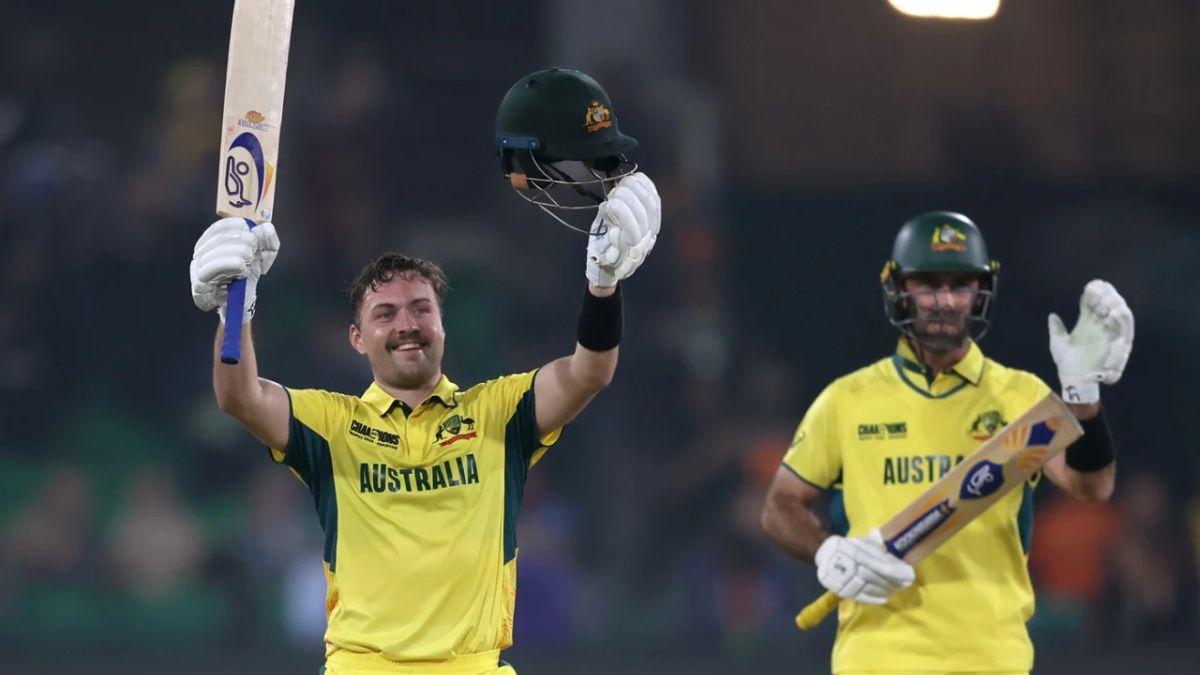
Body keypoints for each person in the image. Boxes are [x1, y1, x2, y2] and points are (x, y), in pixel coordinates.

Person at [188, 68, 659, 674]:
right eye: (384, 314)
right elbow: (239, 395)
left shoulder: (496, 413)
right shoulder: (332, 424)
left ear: (443, 325)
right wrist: (235, 305)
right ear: (357, 338)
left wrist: (603, 284)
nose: (405, 324)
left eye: (420, 309)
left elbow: (590, 371)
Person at [760, 211, 1134, 674]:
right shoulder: (846, 399)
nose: (945, 301)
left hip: (991, 660)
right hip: (876, 658)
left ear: (982, 290)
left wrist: (1082, 395)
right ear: (897, 287)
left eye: (961, 285)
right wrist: (826, 550)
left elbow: (1091, 487)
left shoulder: (1020, 396)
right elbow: (779, 506)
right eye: (927, 284)